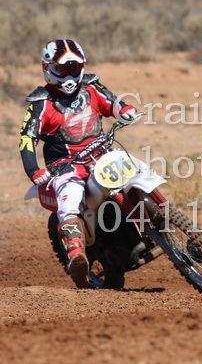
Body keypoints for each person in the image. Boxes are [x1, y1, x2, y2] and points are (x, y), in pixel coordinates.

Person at [19, 39, 136, 288]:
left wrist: (124, 110)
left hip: (102, 155)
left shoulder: (91, 87)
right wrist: (33, 170)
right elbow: (28, 138)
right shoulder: (41, 103)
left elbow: (112, 102)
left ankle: (164, 220)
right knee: (70, 200)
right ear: (48, 68)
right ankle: (76, 256)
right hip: (67, 167)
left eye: (74, 68)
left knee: (137, 171)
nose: (69, 74)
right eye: (62, 69)